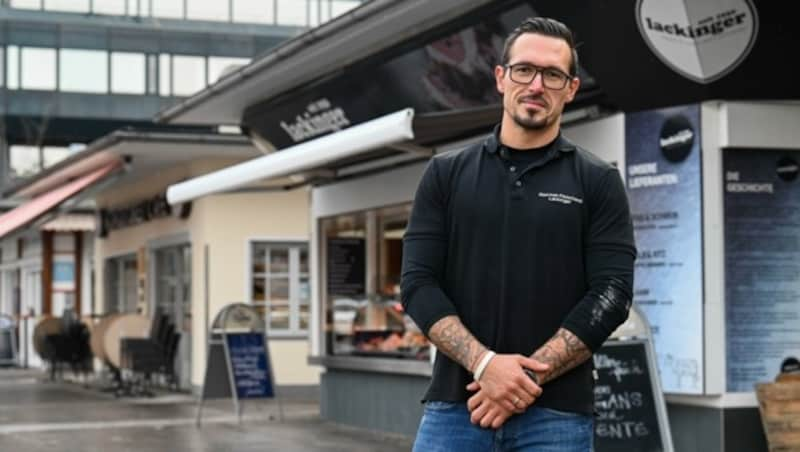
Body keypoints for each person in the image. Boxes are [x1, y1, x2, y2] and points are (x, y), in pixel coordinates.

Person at [400, 16, 636, 451]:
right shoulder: (445, 175)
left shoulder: (598, 181)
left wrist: (523, 377)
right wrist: (486, 365)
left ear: (571, 89)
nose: (536, 85)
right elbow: (417, 285)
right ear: (501, 78)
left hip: (557, 417)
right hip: (457, 409)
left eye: (553, 75)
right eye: (524, 70)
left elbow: (613, 293)